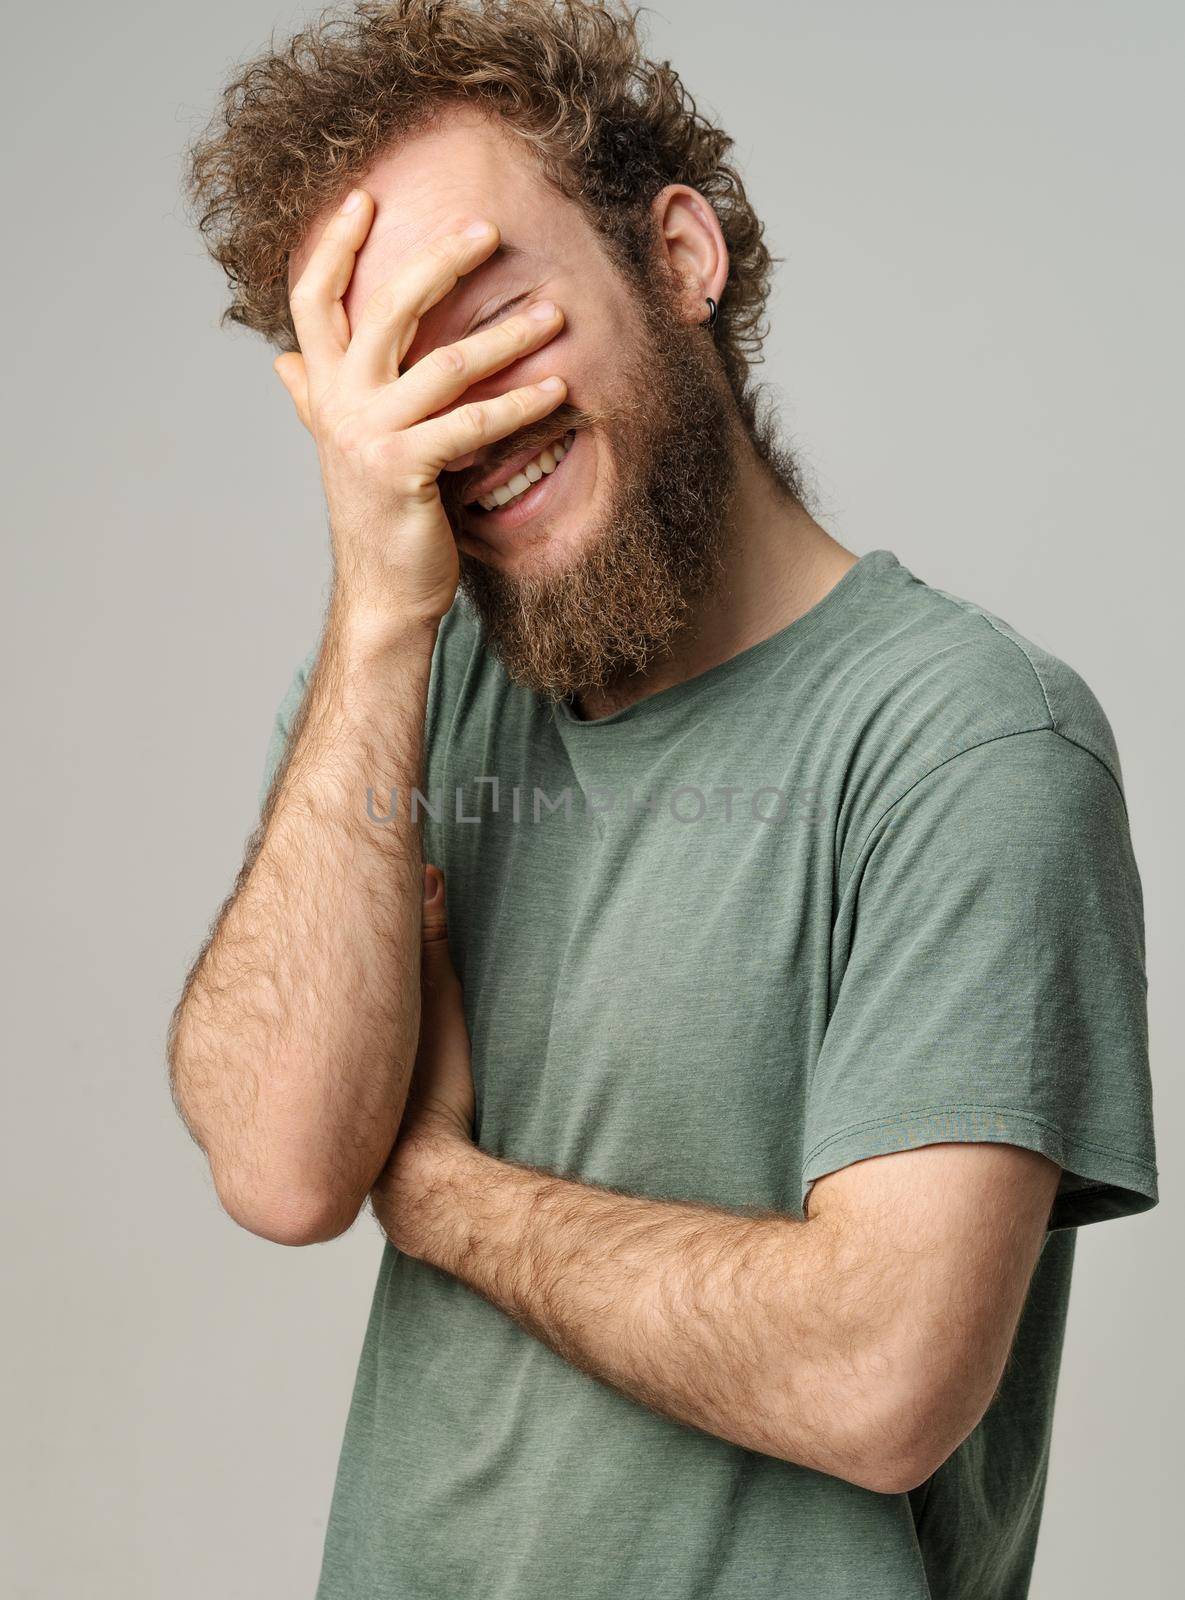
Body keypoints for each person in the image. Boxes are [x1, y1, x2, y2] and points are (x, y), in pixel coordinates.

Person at [167, 3, 1158, 1596]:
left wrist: (434, 1190)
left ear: (678, 256)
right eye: (391, 375)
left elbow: (877, 1379)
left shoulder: (966, 741)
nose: (459, 416)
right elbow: (280, 1167)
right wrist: (370, 619)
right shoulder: (407, 684)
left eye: (486, 315)